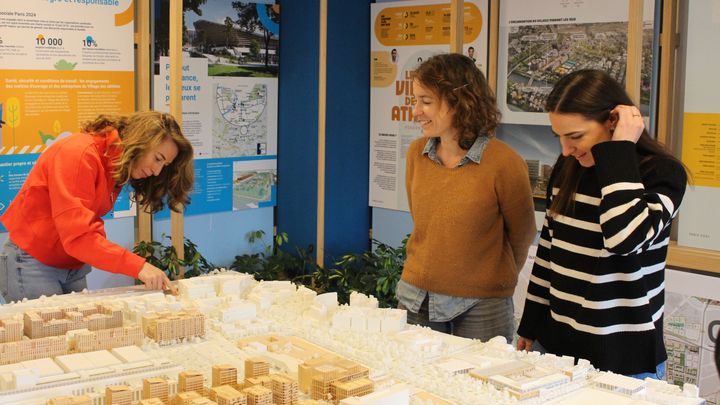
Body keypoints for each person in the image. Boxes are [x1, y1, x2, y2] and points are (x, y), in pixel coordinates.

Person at [516, 69, 688, 379]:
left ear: (613, 122)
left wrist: (618, 152)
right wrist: (531, 324)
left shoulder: (663, 173)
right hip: (556, 349)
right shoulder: (569, 167)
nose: (566, 149)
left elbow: (625, 239)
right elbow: (548, 253)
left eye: (575, 136)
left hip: (625, 361)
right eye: (560, 137)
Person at [398, 53, 536, 342]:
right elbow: (425, 224)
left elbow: (522, 235)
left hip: (482, 305)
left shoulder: (504, 162)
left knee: (479, 384)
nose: (415, 112)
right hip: (416, 297)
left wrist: (490, 278)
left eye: (426, 102)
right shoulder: (416, 154)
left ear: (460, 101)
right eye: (415, 101)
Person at [0, 111, 194, 303]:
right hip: (33, 262)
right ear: (140, 141)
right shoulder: (78, 153)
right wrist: (139, 267)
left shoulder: (111, 161)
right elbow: (79, 235)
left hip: (71, 262)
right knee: (46, 332)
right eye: (158, 159)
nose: (157, 171)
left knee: (78, 331)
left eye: (165, 165)